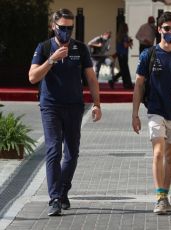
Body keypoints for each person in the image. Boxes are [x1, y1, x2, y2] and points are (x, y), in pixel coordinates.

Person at [28, 8, 102, 216]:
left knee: (72, 152)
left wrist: (97, 104)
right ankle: (54, 199)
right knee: (53, 149)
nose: (66, 32)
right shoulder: (43, 48)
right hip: (50, 106)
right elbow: (33, 77)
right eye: (62, 28)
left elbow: (91, 78)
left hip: (74, 106)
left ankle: (62, 190)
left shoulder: (80, 48)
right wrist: (51, 60)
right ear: (54, 27)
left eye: (70, 28)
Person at [132, 11, 171, 215]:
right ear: (159, 30)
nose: (170, 32)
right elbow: (139, 85)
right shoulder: (148, 55)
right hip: (155, 110)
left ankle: (166, 195)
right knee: (158, 152)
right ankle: (160, 197)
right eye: (166, 28)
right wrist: (134, 114)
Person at [108, 23, 134, 89]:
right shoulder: (124, 36)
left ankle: (121, 82)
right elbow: (125, 45)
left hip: (120, 55)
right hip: (123, 55)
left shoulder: (118, 36)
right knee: (125, 70)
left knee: (123, 70)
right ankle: (127, 84)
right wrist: (129, 42)